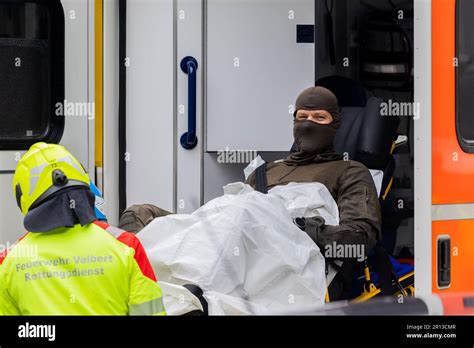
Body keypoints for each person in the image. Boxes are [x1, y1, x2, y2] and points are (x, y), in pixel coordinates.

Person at [246, 86, 381, 300]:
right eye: (302, 117)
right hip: (248, 273)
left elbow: (361, 237)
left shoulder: (350, 172)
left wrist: (301, 228)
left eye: (319, 117)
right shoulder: (263, 173)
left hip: (307, 283)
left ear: (335, 123)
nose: (308, 123)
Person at [0, 143, 165, 316]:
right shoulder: (125, 245)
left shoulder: (8, 262)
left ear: (22, 198)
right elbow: (150, 313)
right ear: (84, 182)